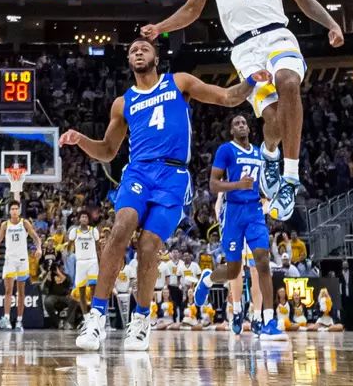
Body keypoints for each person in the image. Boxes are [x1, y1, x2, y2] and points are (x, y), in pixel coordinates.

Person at [61, 37, 268, 352]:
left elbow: (226, 97)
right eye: (132, 49)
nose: (138, 51)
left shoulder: (179, 82)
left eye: (144, 48)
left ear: (156, 57)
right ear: (129, 61)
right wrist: (81, 140)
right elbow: (107, 150)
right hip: (138, 171)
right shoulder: (123, 102)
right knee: (121, 227)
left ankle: (141, 321)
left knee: (148, 246)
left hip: (173, 175)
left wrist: (250, 81)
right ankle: (96, 318)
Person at [141, 0, 344, 221]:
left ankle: (290, 178)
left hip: (277, 35)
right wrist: (160, 27)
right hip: (244, 50)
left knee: (288, 81)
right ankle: (270, 154)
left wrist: (331, 24)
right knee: (273, 119)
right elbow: (192, 10)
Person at [195, 113, 284, 341]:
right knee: (234, 271)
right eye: (237, 123)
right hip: (233, 213)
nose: (241, 125)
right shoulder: (226, 150)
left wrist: (270, 196)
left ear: (249, 129)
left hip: (254, 212)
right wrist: (237, 185)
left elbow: (265, 183)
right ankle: (208, 279)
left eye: (244, 122)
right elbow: (214, 184)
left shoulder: (258, 153)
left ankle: (267, 320)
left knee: (262, 262)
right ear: (232, 131)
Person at [0, 200, 42, 332]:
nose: (14, 211)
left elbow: (36, 237)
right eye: (12, 209)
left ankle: (19, 321)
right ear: (9, 211)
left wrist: (39, 249)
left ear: (19, 211)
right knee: (8, 289)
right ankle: (6, 318)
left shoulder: (24, 223)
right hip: (10, 259)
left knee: (21, 291)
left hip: (22, 260)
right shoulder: (5, 224)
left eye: (16, 208)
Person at [68, 211, 100, 315]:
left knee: (93, 287)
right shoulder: (74, 231)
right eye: (82, 217)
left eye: (86, 217)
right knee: (81, 290)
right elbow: (69, 244)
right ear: (79, 219)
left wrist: (100, 259)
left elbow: (98, 247)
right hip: (80, 262)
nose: (84, 219)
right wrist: (68, 252)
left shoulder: (93, 231)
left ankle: (93, 313)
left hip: (92, 261)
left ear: (88, 219)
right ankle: (86, 317)